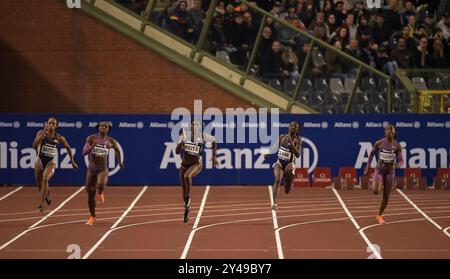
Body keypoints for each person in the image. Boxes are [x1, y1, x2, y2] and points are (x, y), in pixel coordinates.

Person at [175, 120, 219, 223]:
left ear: (200, 127)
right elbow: (177, 152)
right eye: (193, 124)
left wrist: (214, 156)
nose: (194, 126)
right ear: (190, 126)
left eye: (197, 125)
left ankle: (188, 199)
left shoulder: (203, 136)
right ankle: (187, 208)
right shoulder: (185, 135)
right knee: (184, 191)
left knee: (187, 177)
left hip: (196, 165)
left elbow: (214, 141)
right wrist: (181, 140)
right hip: (183, 165)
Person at [82, 121, 124, 226]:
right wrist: (92, 147)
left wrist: (120, 162)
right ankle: (92, 216)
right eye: (102, 126)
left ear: (108, 129)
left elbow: (118, 151)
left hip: (102, 169)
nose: (104, 127)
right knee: (90, 194)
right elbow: (84, 152)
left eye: (106, 126)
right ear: (98, 128)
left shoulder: (111, 141)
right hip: (91, 169)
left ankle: (100, 193)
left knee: (100, 185)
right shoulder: (91, 138)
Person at [32, 117, 78, 212]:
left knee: (45, 179)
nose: (51, 125)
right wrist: (42, 135)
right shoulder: (41, 133)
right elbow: (34, 145)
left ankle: (40, 205)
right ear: (47, 124)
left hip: (50, 163)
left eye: (53, 124)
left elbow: (68, 148)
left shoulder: (59, 137)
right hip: (39, 161)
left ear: (56, 126)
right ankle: (47, 194)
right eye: (50, 123)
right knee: (40, 185)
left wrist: (72, 161)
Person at [364, 124, 404, 225]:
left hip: (390, 172)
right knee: (376, 191)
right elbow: (372, 154)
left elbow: (401, 160)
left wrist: (398, 164)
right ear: (384, 132)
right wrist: (368, 166)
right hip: (379, 170)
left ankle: (379, 215)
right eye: (386, 130)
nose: (388, 131)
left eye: (390, 130)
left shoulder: (397, 145)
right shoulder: (379, 143)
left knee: (386, 196)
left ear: (394, 132)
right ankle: (378, 181)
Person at [265, 121, 301, 211]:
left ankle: (288, 180)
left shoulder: (298, 140)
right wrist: (268, 153)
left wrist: (291, 144)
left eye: (295, 126)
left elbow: (298, 155)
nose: (293, 127)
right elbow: (275, 147)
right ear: (288, 127)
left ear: (297, 130)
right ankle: (274, 203)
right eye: (291, 126)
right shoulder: (282, 137)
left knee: (287, 190)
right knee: (277, 179)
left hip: (289, 165)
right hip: (279, 163)